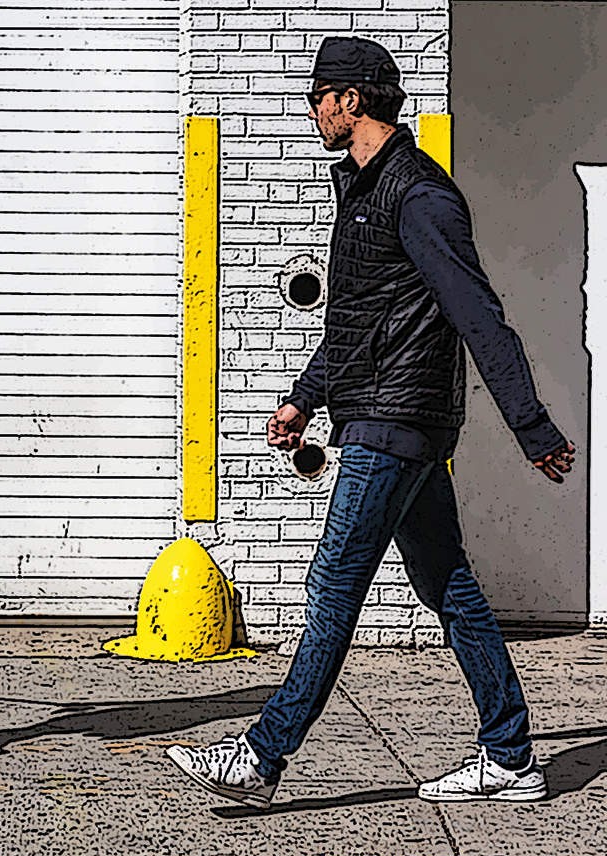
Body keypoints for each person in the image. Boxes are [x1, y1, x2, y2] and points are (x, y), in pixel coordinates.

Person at [165, 36, 576, 808]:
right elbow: (357, 322)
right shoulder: (363, 190)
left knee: (332, 584)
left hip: (397, 418)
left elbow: (478, 315)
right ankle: (512, 755)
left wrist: (532, 428)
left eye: (317, 96)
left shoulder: (418, 195)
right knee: (447, 583)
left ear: (350, 100)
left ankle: (261, 755)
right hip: (382, 411)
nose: (311, 111)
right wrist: (303, 397)